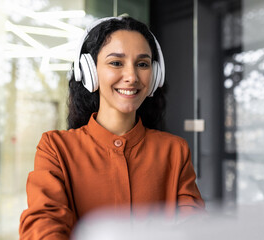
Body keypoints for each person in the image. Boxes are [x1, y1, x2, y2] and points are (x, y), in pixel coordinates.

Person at [19, 16, 205, 239]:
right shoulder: (56, 148)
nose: (132, 77)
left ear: (155, 76)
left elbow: (194, 229)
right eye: (116, 63)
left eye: (142, 64)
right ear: (89, 71)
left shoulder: (174, 151)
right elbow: (44, 223)